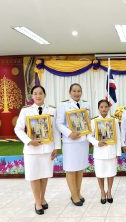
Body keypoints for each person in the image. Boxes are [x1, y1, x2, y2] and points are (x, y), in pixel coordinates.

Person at [14, 85, 61, 215]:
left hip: (47, 149)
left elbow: (56, 130)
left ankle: (42, 197)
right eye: (35, 93)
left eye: (40, 93)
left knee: (44, 175)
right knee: (34, 176)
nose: (38, 96)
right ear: (32, 96)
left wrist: (56, 147)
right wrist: (29, 141)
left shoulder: (52, 110)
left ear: (44, 95)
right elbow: (17, 129)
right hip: (32, 151)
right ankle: (38, 202)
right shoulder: (25, 111)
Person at [56, 83, 91, 206]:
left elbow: (89, 122)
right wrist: (69, 133)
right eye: (74, 91)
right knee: (71, 169)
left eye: (79, 91)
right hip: (70, 142)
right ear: (70, 92)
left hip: (83, 142)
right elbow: (59, 123)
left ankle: (78, 192)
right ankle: (74, 195)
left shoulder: (86, 104)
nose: (77, 93)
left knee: (80, 168)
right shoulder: (63, 105)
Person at [87, 100, 121, 204]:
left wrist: (118, 153)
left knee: (111, 173)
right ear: (98, 108)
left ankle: (109, 192)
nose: (104, 109)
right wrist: (97, 143)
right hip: (99, 152)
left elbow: (118, 137)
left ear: (109, 108)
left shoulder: (114, 120)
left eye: (106, 107)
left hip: (111, 151)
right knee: (100, 174)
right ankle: (102, 192)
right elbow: (89, 136)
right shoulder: (94, 121)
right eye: (101, 107)